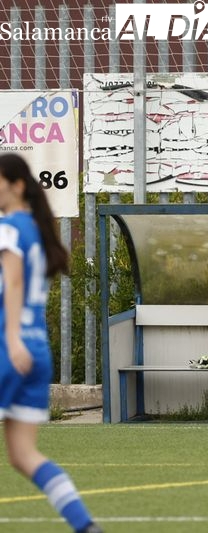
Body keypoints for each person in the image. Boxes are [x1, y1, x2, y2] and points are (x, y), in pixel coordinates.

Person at [0, 154, 103, 533]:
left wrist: (10, 340)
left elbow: (11, 283)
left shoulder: (9, 227)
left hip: (10, 349)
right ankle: (84, 525)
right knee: (22, 455)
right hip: (36, 351)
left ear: (17, 185)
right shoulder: (39, 233)